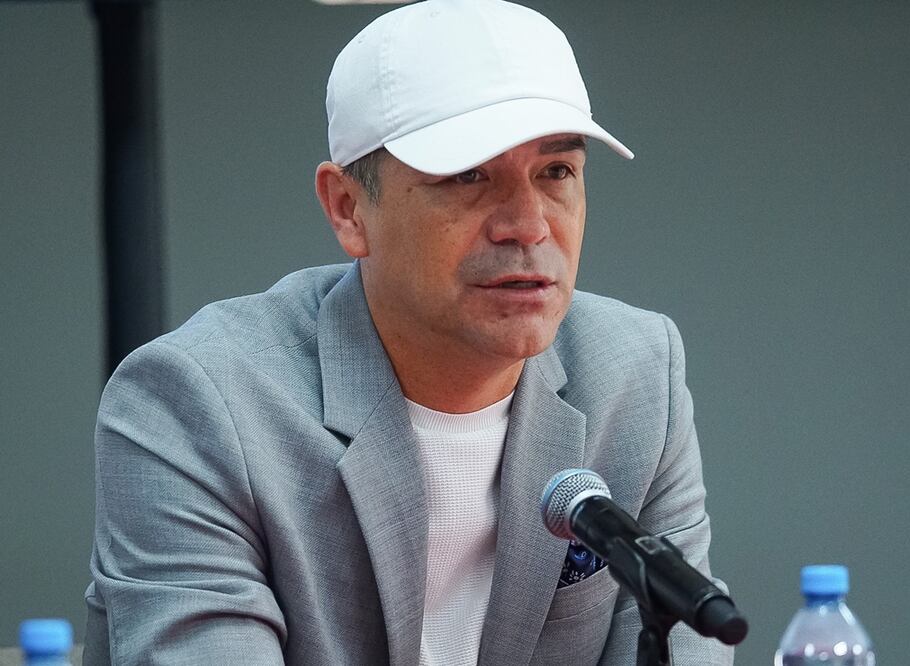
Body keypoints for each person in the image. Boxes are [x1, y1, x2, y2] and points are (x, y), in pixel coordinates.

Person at [84, 0, 733, 664]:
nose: (529, 225)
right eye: (466, 176)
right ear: (347, 208)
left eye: (556, 172)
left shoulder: (636, 375)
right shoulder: (196, 403)